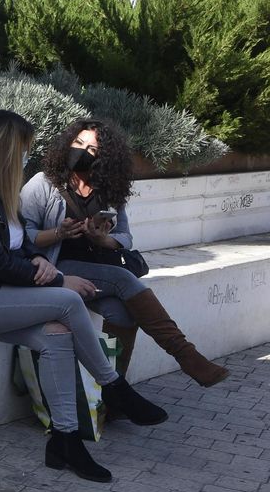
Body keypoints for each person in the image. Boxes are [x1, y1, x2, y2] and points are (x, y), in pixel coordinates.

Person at [0, 110, 166, 483]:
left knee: (57, 336)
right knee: (66, 302)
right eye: (22, 150)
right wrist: (56, 279)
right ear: (3, 149)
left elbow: (12, 248)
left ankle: (65, 440)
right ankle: (114, 388)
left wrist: (36, 258)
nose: (25, 158)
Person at [20, 118, 230, 388]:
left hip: (98, 269)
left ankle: (113, 394)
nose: (82, 152)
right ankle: (188, 356)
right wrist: (59, 233)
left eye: (92, 149)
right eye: (78, 143)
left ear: (104, 157)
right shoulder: (43, 184)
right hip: (57, 267)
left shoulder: (107, 190)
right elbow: (22, 235)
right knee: (124, 279)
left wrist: (102, 239)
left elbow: (125, 238)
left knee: (123, 314)